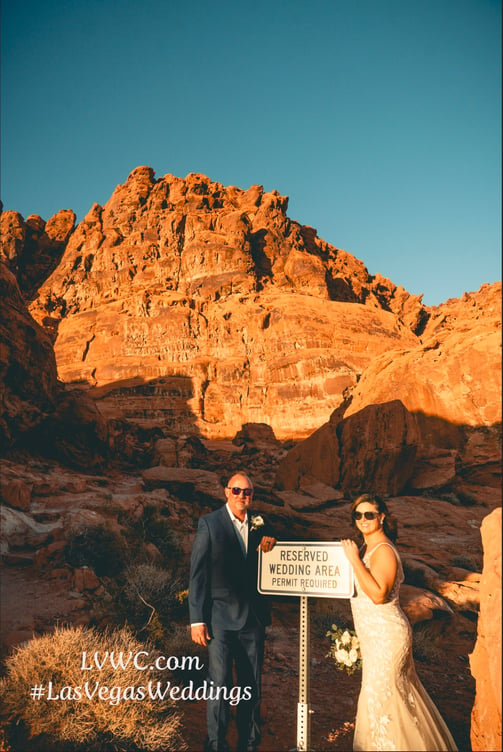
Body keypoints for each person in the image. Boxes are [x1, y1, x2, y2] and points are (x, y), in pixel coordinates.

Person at [341, 493, 458, 752]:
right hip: (372, 637)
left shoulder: (383, 551)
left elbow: (379, 594)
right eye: (357, 515)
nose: (363, 519)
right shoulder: (365, 548)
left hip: (387, 636)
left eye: (369, 514)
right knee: (386, 697)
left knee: (384, 697)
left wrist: (354, 561)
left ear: (381, 516)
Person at [189, 472, 277, 752]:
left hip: (253, 620)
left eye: (248, 492)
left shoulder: (260, 524)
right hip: (219, 622)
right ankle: (216, 745)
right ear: (227, 492)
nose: (242, 496)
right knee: (220, 685)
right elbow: (198, 575)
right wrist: (197, 620)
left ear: (253, 495)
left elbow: (271, 552)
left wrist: (273, 541)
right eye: (237, 490)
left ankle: (248, 744)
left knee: (252, 685)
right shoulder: (210, 523)